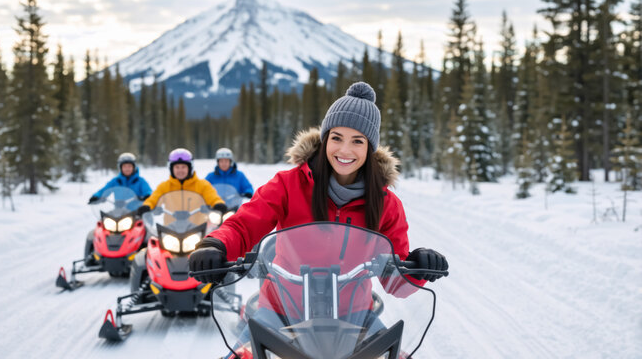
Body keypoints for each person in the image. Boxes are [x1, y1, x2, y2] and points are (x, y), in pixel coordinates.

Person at [189, 82, 447, 295]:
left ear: (370, 149)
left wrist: (419, 266)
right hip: (282, 308)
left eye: (357, 141)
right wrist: (215, 245)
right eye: (336, 138)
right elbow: (244, 226)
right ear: (325, 141)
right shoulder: (288, 184)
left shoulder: (386, 204)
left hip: (354, 317)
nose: (345, 150)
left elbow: (396, 283)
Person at [137, 148, 227, 216]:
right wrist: (147, 206)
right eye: (177, 167)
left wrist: (218, 204)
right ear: (171, 169)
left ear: (190, 168)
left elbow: (212, 197)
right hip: (169, 229)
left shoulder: (202, 185)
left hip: (198, 228)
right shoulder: (164, 186)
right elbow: (153, 199)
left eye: (183, 167)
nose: (180, 170)